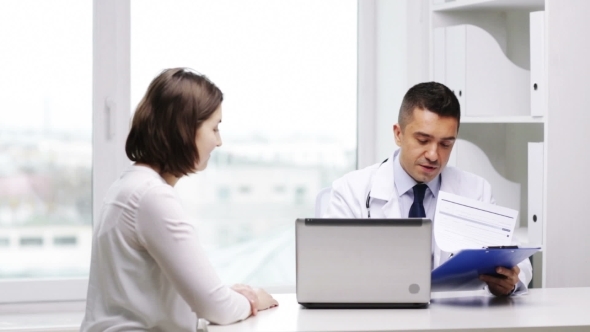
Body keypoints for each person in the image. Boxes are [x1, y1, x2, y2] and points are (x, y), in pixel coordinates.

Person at [81, 68, 278, 331]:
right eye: (214, 128)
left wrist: (227, 296)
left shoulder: (133, 185)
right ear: (185, 130)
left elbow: (182, 296)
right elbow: (215, 308)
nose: (219, 142)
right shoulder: (151, 197)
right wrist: (252, 300)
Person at [324, 82, 532, 296]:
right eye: (423, 140)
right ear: (398, 134)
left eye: (445, 144)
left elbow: (517, 261)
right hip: (380, 318)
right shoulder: (351, 191)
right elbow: (328, 270)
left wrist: (510, 282)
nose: (433, 155)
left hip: (452, 322)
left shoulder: (476, 191)